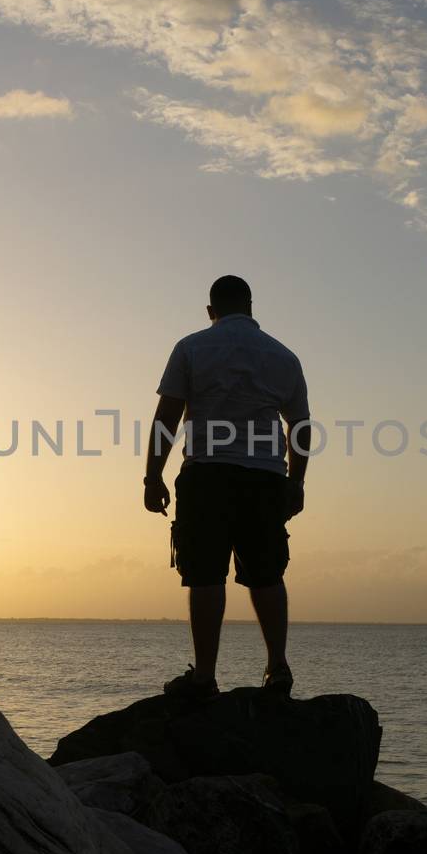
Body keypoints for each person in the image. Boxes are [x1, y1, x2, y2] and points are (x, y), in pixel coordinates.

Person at [144, 274, 310, 697]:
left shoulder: (191, 347)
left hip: (207, 475)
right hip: (265, 477)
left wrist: (153, 475)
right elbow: (301, 426)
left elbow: (167, 417)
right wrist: (296, 481)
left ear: (210, 311)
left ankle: (204, 676)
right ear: (251, 307)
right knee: (267, 575)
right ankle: (278, 668)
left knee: (204, 575)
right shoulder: (283, 356)